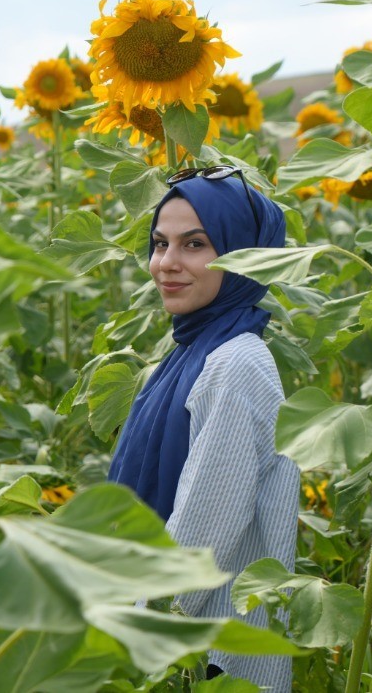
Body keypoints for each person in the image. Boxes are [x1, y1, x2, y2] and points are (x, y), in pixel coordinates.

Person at [107, 166, 299, 689]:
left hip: (206, 654)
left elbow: (203, 535)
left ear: (243, 256)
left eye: (195, 244)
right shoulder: (197, 351)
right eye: (160, 243)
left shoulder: (236, 363)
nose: (166, 263)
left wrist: (129, 645)